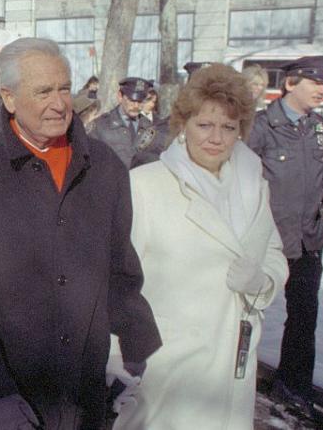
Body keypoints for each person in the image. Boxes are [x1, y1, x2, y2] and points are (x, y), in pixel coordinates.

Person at [0, 37, 161, 429]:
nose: (59, 103)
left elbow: (121, 272)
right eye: (43, 91)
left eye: (64, 89)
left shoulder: (104, 169)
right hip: (8, 399)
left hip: (85, 397)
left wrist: (137, 354)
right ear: (9, 97)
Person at [111, 64, 288, 429]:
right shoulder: (145, 186)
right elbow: (116, 279)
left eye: (229, 127)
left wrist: (261, 280)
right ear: (183, 124)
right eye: (204, 125)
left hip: (232, 358)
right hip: (169, 363)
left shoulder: (254, 185)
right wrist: (117, 360)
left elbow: (273, 254)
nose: (216, 138)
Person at [246, 55, 323, 421]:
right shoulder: (260, 128)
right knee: (247, 314)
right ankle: (230, 381)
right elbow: (237, 186)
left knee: (303, 321)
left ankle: (294, 391)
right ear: (291, 83)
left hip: (309, 242)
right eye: (316, 81)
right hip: (265, 244)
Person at [89, 77, 155, 168]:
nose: (136, 106)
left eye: (140, 101)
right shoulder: (101, 126)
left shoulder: (149, 126)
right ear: (120, 96)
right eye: (131, 100)